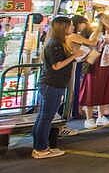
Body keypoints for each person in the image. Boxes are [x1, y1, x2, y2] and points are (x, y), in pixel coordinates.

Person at [31, 16, 79, 158]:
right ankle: (41, 149)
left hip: (54, 84)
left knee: (45, 117)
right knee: (46, 117)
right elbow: (56, 65)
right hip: (51, 84)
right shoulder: (54, 44)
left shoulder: (58, 43)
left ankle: (41, 146)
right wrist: (73, 56)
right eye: (70, 26)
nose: (73, 28)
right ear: (63, 27)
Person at [79, 14, 109, 128]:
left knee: (106, 90)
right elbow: (90, 47)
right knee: (92, 90)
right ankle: (89, 118)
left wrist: (106, 22)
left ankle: (101, 116)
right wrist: (102, 44)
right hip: (97, 66)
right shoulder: (96, 34)